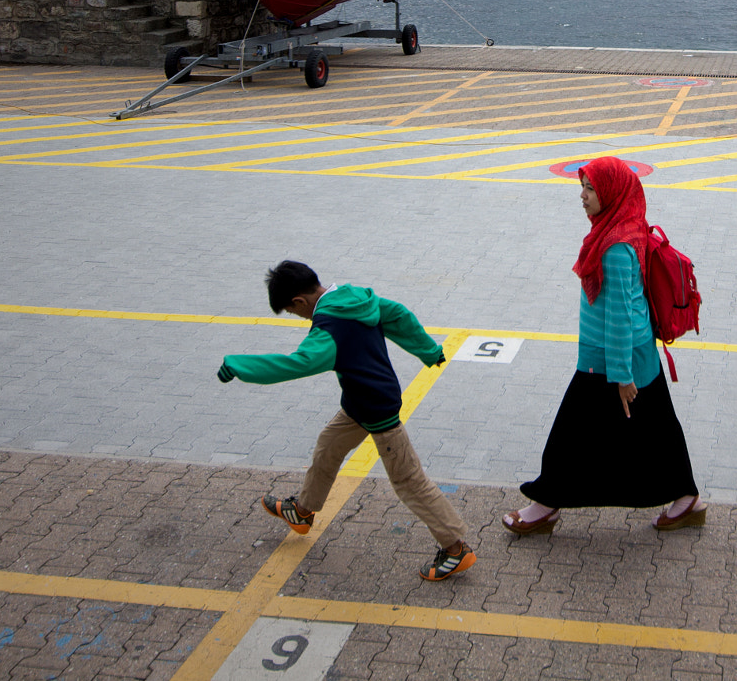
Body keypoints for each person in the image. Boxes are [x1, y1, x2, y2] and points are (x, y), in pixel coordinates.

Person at [217, 259, 475, 581]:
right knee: (328, 446)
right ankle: (302, 511)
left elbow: (298, 363)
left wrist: (241, 366)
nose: (300, 318)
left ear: (300, 301)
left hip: (376, 410)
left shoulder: (329, 328)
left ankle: (456, 548)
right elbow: (398, 315)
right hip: (358, 403)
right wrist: (427, 350)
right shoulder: (355, 299)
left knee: (409, 481)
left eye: (295, 312)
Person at [504, 156, 703, 535]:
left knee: (570, 432)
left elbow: (620, 316)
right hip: (637, 353)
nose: (582, 196)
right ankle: (686, 498)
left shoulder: (614, 247)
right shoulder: (628, 228)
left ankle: (544, 505)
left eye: (591, 188)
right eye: (582, 186)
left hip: (611, 360)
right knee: (658, 427)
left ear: (611, 192)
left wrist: (622, 376)